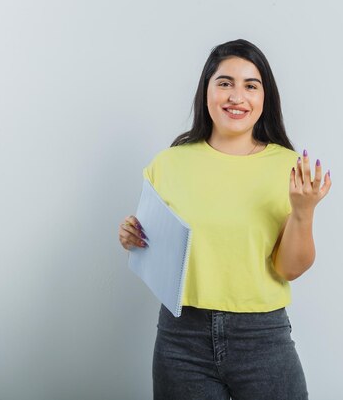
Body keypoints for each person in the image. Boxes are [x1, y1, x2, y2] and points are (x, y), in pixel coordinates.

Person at [118, 39, 331, 400]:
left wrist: (303, 211)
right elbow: (155, 244)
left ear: (265, 98)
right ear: (207, 91)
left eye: (251, 85)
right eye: (225, 83)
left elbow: (289, 269)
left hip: (262, 337)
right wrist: (132, 236)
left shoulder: (287, 167)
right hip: (181, 338)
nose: (237, 96)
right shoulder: (168, 164)